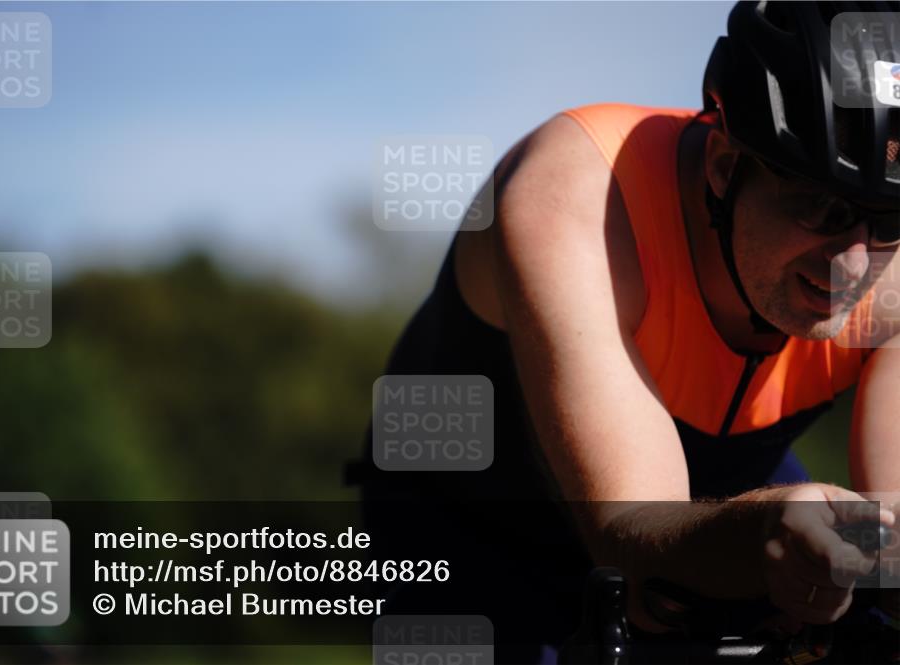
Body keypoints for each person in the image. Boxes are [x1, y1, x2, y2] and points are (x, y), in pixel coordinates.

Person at [351, 2, 900, 661]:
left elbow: (892, 523)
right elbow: (632, 534)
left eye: (889, 222)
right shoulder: (578, 193)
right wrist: (764, 533)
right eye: (824, 207)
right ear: (726, 165)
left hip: (722, 506)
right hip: (472, 528)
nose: (853, 264)